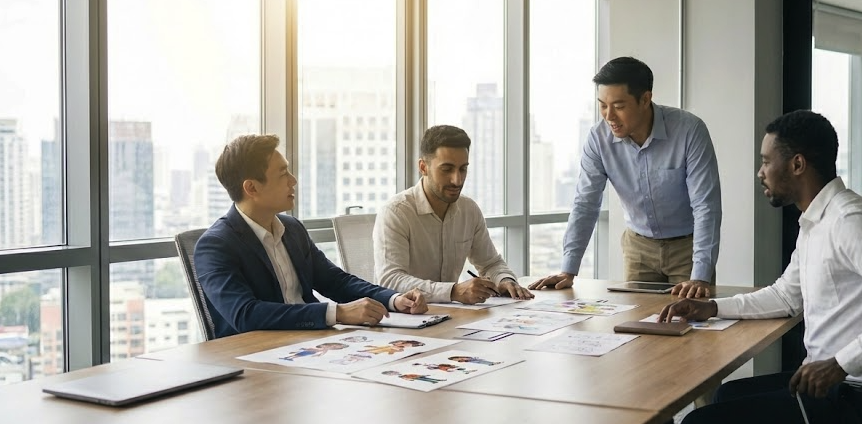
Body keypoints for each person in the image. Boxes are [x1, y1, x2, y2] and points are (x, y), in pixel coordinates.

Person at [661, 110, 862, 424]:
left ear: (797, 165)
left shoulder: (850, 222)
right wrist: (712, 307)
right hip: (836, 382)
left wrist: (840, 364)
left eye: (767, 161)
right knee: (726, 396)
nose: (760, 173)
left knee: (698, 422)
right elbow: (785, 296)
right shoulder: (817, 221)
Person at [194, 134, 428, 338]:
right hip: (256, 357)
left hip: (310, 344)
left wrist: (393, 299)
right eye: (283, 173)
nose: (293, 181)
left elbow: (335, 281)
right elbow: (246, 314)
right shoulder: (215, 246)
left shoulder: (292, 228)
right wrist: (338, 313)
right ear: (252, 188)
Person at [529, 56, 722, 298]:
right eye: (602, 105)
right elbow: (585, 204)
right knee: (637, 325)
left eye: (619, 106)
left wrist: (700, 275)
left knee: (690, 325)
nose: (609, 116)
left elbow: (706, 205)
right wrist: (569, 269)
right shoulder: (598, 139)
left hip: (688, 248)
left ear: (645, 99)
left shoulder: (689, 130)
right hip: (638, 249)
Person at [374, 125, 534, 304]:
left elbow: (490, 263)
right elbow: (390, 280)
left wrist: (505, 280)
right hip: (406, 319)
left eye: (463, 169)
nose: (457, 180)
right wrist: (453, 292)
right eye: (447, 169)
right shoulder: (396, 212)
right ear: (423, 167)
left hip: (453, 316)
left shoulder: (469, 209)